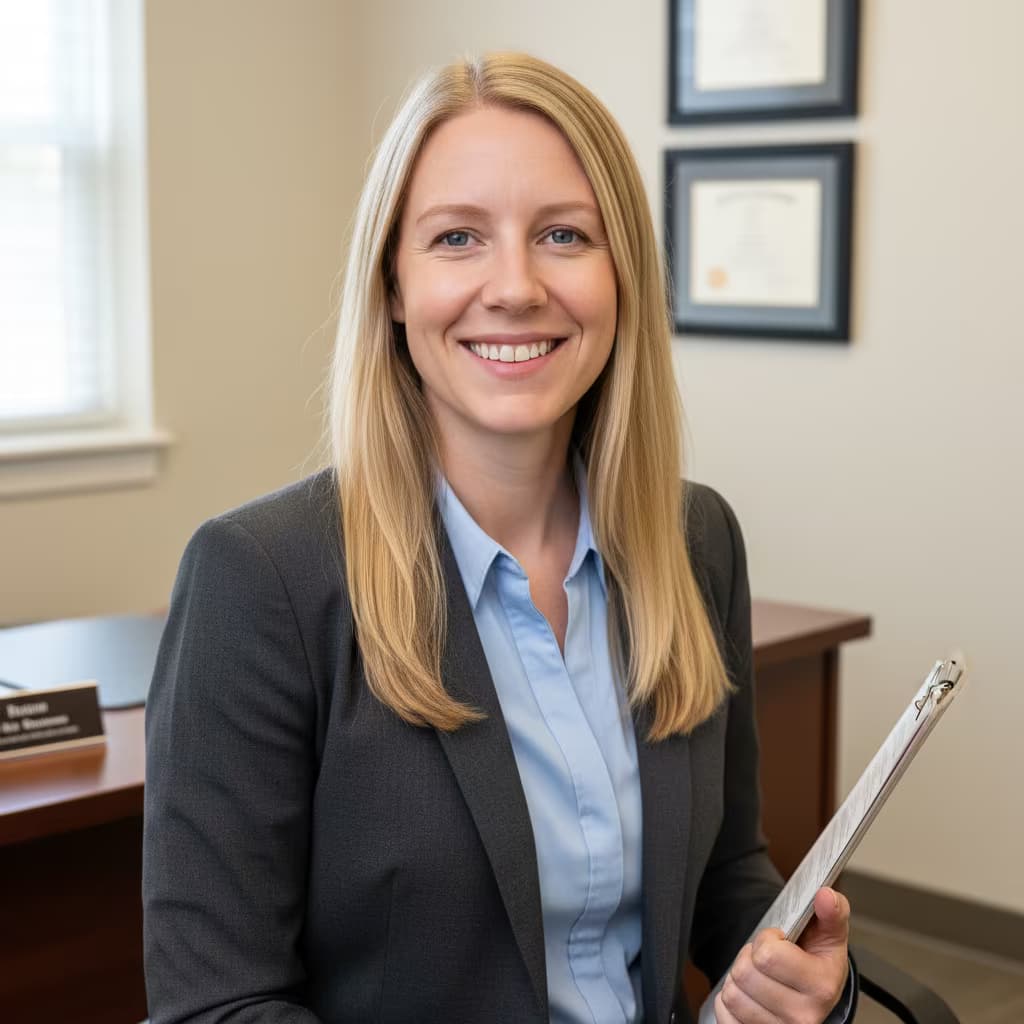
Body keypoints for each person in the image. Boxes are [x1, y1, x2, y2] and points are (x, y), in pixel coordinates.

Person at [143, 52, 857, 1024]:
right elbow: (217, 1003)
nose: (514, 286)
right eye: (457, 238)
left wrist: (802, 979)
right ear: (392, 284)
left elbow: (726, 876)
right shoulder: (259, 578)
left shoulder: (696, 539)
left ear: (623, 279)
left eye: (564, 234)